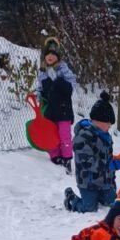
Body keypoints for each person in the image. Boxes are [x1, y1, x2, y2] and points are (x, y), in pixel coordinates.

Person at [65, 92, 120, 213]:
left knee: (112, 202)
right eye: (108, 123)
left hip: (105, 182)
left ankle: (102, 196)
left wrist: (115, 163)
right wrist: (109, 165)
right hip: (88, 182)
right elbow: (87, 162)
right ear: (98, 121)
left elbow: (107, 157)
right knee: (89, 208)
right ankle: (71, 199)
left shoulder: (106, 136)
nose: (109, 127)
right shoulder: (83, 137)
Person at [37, 38, 78, 170]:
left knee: (64, 135)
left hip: (64, 110)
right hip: (50, 110)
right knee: (51, 134)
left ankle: (66, 158)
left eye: (53, 54)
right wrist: (38, 97)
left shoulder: (63, 69)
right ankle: (55, 156)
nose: (50, 56)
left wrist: (60, 82)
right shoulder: (42, 72)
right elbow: (40, 88)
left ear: (58, 57)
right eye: (48, 54)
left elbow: (72, 85)